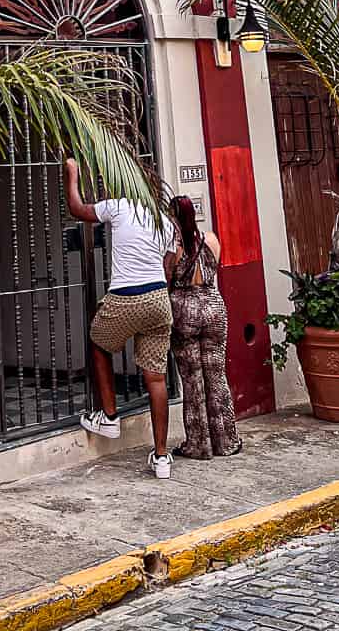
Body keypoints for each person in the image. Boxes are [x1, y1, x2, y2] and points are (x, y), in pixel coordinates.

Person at [63, 157, 176, 479]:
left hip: (127, 295)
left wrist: (72, 174)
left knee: (99, 344)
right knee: (156, 378)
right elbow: (168, 269)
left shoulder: (120, 206)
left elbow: (78, 210)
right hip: (158, 299)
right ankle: (162, 456)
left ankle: (109, 417)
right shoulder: (165, 222)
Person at [164, 195, 241, 460]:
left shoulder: (175, 247)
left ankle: (199, 444)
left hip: (184, 308)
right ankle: (227, 440)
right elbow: (215, 267)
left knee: (193, 380)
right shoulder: (211, 239)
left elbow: (168, 279)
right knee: (217, 376)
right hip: (212, 304)